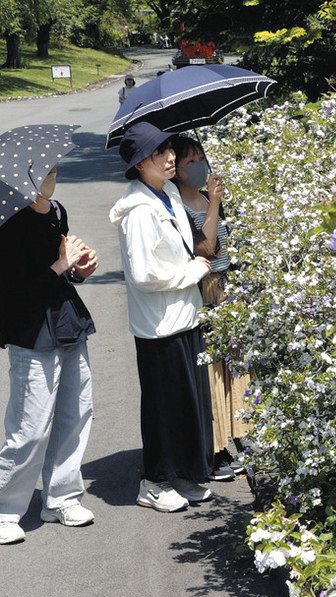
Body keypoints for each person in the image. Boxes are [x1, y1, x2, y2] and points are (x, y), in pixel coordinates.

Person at [109, 122, 215, 513]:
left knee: (187, 401)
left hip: (185, 314)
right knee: (163, 406)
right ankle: (154, 482)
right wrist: (193, 271)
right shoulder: (138, 211)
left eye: (170, 150)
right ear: (140, 163)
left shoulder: (167, 192)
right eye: (161, 153)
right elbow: (145, 274)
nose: (171, 158)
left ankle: (185, 474)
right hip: (158, 324)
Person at [0, 166, 100, 544]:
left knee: (76, 412)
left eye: (53, 169)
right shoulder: (9, 220)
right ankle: (6, 508)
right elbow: (13, 289)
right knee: (31, 423)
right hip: (31, 331)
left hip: (66, 322)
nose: (50, 176)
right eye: (43, 172)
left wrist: (80, 268)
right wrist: (61, 265)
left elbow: (62, 273)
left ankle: (61, 498)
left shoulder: (57, 211)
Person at [169, 134, 248, 481]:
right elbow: (206, 249)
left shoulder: (203, 197)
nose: (198, 165)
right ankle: (215, 448)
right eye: (190, 161)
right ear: (178, 172)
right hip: (204, 290)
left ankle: (244, 434)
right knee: (213, 370)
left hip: (226, 288)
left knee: (239, 365)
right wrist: (213, 204)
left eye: (200, 157)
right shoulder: (179, 207)